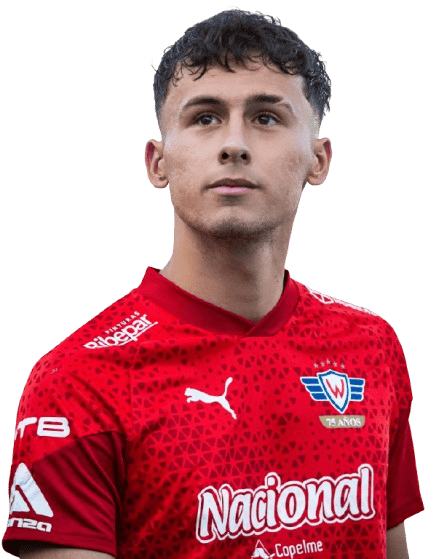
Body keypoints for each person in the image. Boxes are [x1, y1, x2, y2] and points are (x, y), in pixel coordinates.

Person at [2, 7, 424, 559]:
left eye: (266, 117)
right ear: (157, 163)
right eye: (205, 117)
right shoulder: (79, 383)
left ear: (319, 161)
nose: (234, 144)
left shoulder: (371, 346)